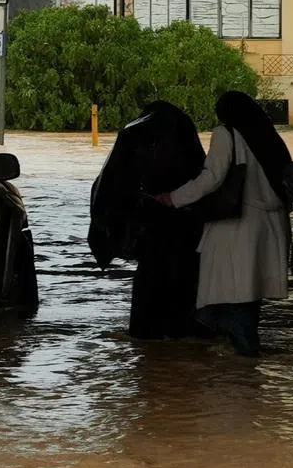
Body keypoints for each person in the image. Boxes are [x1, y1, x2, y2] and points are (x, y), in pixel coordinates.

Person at [156, 91, 292, 357]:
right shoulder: (268, 136)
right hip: (271, 226)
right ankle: (247, 373)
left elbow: (212, 177)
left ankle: (239, 361)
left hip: (237, 227)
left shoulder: (226, 133)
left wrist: (174, 198)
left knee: (231, 291)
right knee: (250, 293)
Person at [88, 100, 206, 339]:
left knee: (150, 284)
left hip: (151, 228)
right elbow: (204, 181)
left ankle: (147, 343)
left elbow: (111, 187)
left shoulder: (132, 135)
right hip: (185, 227)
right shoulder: (183, 136)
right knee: (184, 284)